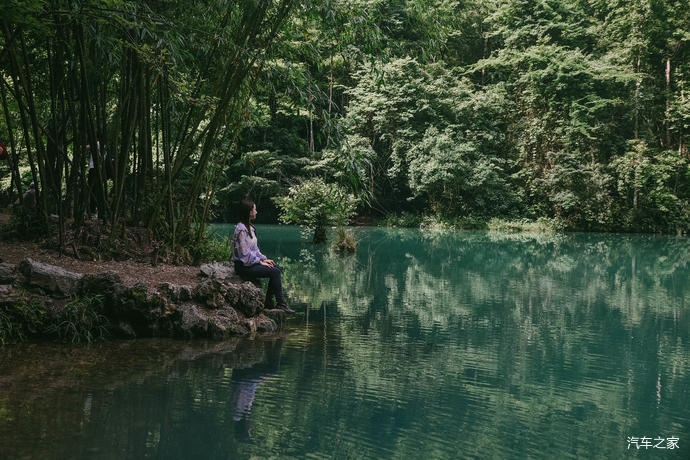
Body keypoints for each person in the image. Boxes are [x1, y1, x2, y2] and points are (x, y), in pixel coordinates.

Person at [232, 199, 294, 313]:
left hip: (250, 264)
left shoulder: (249, 227)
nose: (256, 212)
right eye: (255, 209)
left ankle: (269, 302)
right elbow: (244, 255)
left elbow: (254, 249)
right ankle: (280, 303)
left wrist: (264, 258)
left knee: (277, 268)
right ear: (249, 212)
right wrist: (260, 262)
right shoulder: (241, 229)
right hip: (243, 266)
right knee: (274, 272)